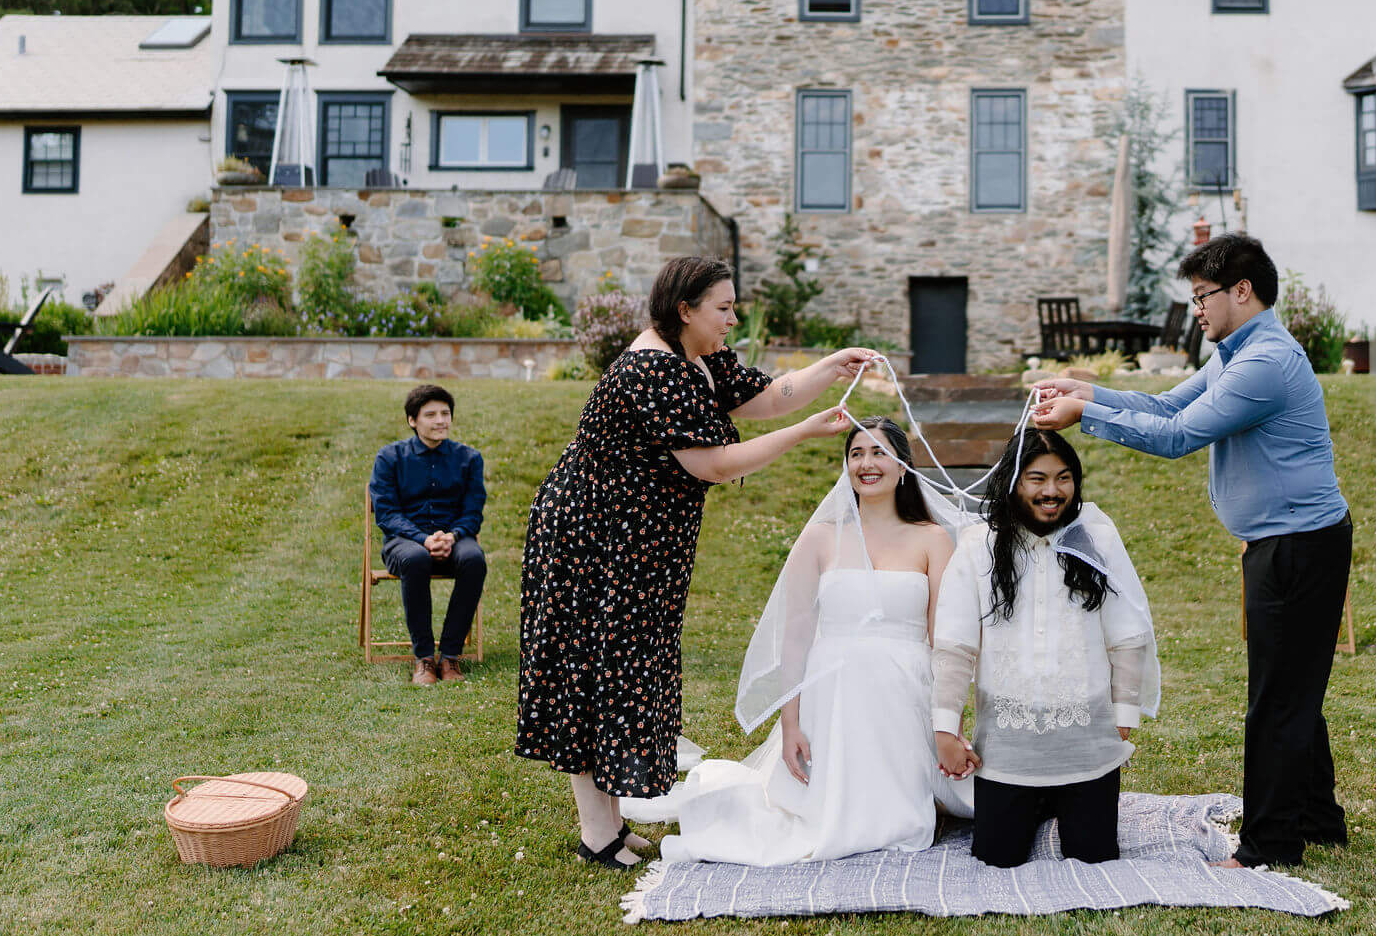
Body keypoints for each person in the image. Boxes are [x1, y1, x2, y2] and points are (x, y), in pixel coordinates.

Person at [513, 254, 872, 871]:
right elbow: (712, 464)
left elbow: (762, 396)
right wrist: (805, 433)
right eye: (724, 308)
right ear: (685, 310)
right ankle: (597, 831)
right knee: (601, 671)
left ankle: (609, 821)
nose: (733, 318)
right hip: (593, 541)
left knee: (626, 666)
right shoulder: (653, 371)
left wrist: (831, 367)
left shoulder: (694, 359)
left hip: (637, 539)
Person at [1031, 232, 1349, 870]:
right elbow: (1164, 402)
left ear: (1242, 291)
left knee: (1277, 698)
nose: (1197, 309)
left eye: (1204, 296)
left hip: (1298, 546)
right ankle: (1318, 819)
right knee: (1292, 689)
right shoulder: (1237, 354)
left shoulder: (1265, 363)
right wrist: (1086, 393)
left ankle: (1270, 844)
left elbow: (1177, 435)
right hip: (1288, 542)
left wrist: (1081, 418)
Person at [622, 418, 974, 863]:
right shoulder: (822, 537)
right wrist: (790, 724)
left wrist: (949, 724)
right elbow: (796, 636)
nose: (867, 463)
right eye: (856, 454)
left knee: (911, 820)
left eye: (879, 452)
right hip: (833, 696)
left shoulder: (933, 539)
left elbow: (943, 639)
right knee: (824, 816)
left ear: (903, 466)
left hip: (905, 694)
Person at [932, 428, 1160, 868]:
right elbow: (955, 648)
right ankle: (1032, 809)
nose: (1052, 491)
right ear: (1012, 482)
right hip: (1006, 750)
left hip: (1087, 745)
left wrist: (1125, 711)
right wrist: (945, 729)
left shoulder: (1097, 539)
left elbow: (1127, 633)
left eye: (1063, 478)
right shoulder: (978, 547)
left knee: (1093, 857)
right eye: (1037, 479)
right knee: (997, 858)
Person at [370, 384, 487, 687]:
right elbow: (386, 514)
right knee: (416, 558)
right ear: (413, 420)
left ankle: (450, 656)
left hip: (455, 542)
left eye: (445, 414)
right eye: (431, 414)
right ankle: (424, 658)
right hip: (405, 545)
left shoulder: (469, 459)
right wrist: (423, 539)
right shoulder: (389, 458)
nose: (440, 421)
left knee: (475, 559)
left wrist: (452, 536)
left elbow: (473, 511)